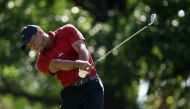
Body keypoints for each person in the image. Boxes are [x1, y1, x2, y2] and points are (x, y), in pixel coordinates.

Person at [20, 24, 104, 109]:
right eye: (29, 45)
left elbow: (81, 48)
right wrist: (79, 64)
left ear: (39, 31)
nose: (33, 46)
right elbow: (57, 64)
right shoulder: (41, 62)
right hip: (70, 93)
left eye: (32, 41)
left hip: (91, 86)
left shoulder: (67, 30)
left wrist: (84, 64)